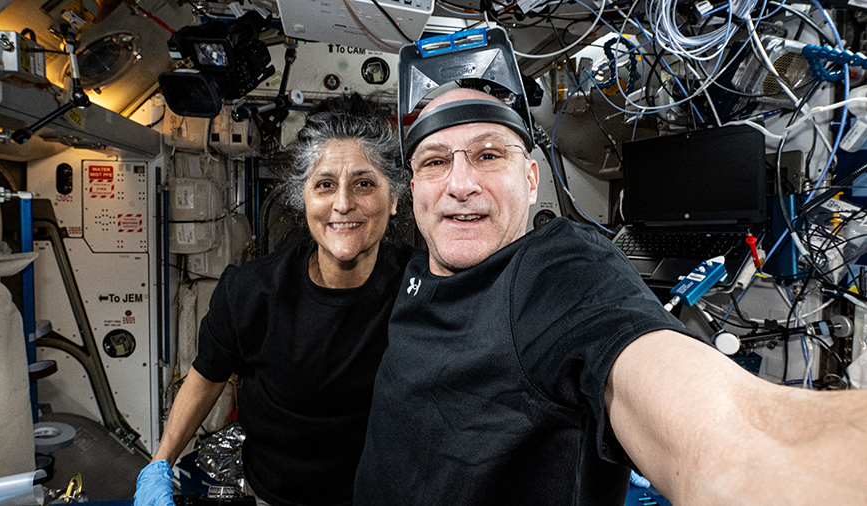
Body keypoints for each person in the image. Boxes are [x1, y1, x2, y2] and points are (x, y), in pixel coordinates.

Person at [352, 87, 867, 505]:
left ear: (531, 180)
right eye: (435, 162)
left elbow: (729, 437)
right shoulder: (415, 273)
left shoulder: (555, 270)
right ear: (411, 191)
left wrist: (779, 455)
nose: (460, 183)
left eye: (489, 154)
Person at [134, 93, 414, 506]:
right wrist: (159, 462)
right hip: (273, 495)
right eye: (324, 185)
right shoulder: (251, 292)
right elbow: (207, 377)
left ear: (393, 199)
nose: (342, 203)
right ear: (303, 199)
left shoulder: (421, 289)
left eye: (364, 183)